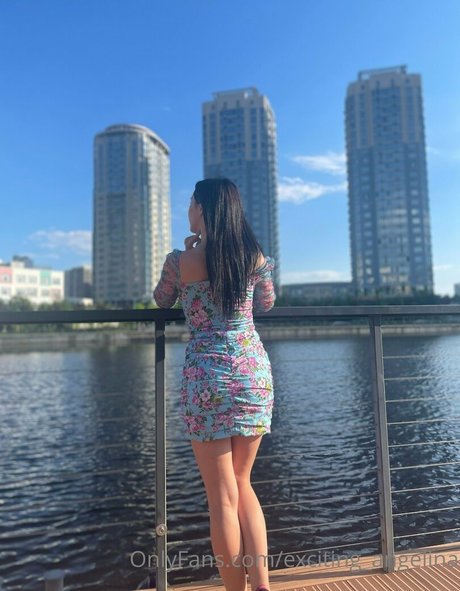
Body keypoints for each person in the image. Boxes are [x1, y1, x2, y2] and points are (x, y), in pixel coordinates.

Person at [153, 178, 276, 591]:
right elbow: (266, 303)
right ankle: (262, 585)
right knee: (243, 484)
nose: (187, 210)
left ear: (202, 209)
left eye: (190, 203)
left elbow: (161, 299)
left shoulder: (179, 262)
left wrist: (190, 252)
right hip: (252, 374)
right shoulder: (254, 256)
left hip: (206, 378)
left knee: (221, 497)